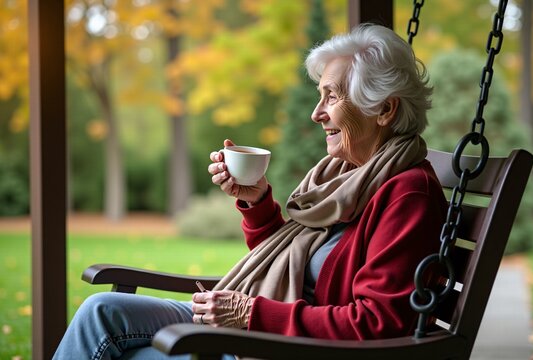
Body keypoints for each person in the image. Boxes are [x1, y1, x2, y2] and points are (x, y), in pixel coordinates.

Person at [53, 23, 447, 359]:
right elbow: (288, 259)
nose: (316, 112)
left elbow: (378, 324)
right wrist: (257, 200)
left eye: (332, 95)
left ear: (385, 109)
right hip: (261, 329)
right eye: (319, 95)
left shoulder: (408, 194)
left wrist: (250, 314)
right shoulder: (347, 175)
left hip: (290, 346)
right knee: (101, 310)